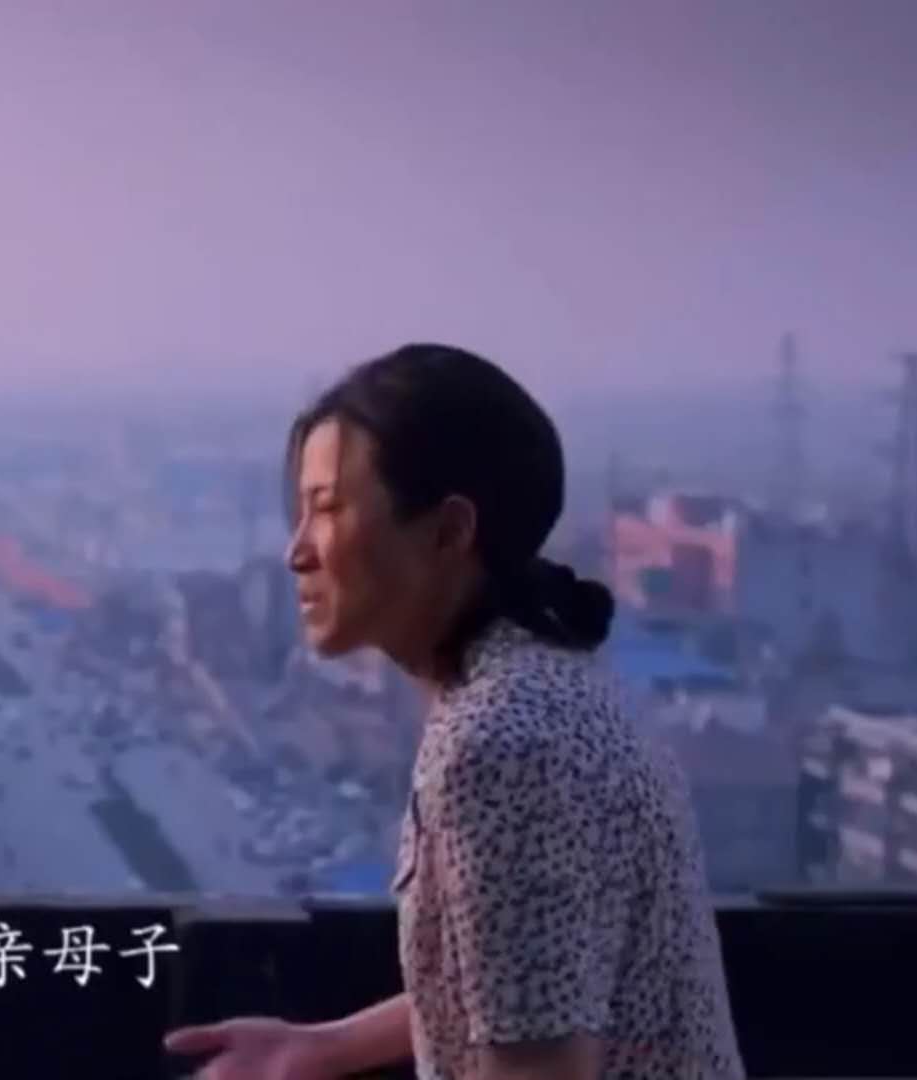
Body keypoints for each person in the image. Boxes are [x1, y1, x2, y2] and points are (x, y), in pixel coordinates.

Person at [165, 344, 744, 1079]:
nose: (296, 551)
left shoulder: (498, 748)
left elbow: (540, 1067)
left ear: (448, 531)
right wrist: (325, 1047)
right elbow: (529, 979)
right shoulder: (553, 684)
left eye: (327, 510)